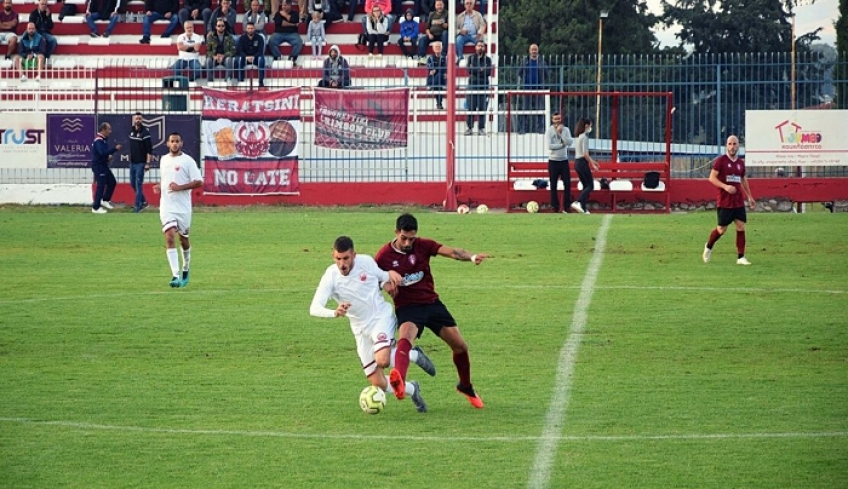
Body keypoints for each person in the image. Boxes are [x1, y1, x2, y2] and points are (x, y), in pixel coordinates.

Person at [310, 235, 436, 413]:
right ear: (333, 256)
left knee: (383, 360)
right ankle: (413, 389)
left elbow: (382, 276)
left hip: (379, 318)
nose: (342, 264)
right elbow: (314, 308)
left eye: (346, 258)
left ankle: (412, 354)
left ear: (354, 255)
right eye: (338, 259)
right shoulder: (330, 276)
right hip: (360, 330)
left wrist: (388, 279)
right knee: (378, 382)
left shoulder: (366, 262)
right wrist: (334, 312)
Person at [376, 213, 489, 409]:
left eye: (411, 238)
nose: (408, 242)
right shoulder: (384, 256)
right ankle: (400, 380)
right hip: (408, 307)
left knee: (460, 347)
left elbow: (453, 252)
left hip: (431, 303)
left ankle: (465, 386)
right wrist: (385, 284)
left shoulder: (423, 245)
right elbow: (373, 278)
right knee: (406, 336)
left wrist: (471, 256)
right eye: (404, 238)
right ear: (396, 233)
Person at [152, 132, 202, 288]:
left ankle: (186, 268)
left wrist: (179, 188)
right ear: (167, 143)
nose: (174, 144)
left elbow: (199, 182)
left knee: (184, 239)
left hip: (183, 208)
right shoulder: (164, 160)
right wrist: (160, 186)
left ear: (181, 143)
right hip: (167, 206)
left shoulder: (188, 161)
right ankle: (175, 275)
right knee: (169, 237)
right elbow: (165, 179)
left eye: (177, 141)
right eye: (172, 141)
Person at [702, 135, 756, 266]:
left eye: (735, 144)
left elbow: (743, 180)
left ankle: (741, 257)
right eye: (730, 144)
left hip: (738, 201)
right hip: (724, 202)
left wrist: (749, 196)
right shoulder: (721, 161)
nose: (732, 147)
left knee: (741, 226)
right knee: (721, 229)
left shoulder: (740, 163)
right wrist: (725, 186)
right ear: (727, 145)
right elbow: (711, 178)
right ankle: (708, 246)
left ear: (738, 146)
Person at [517, 44, 549, 134]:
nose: (534, 51)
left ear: (538, 51)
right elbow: (519, 72)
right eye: (532, 49)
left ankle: (540, 128)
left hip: (539, 88)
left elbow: (546, 73)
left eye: (535, 49)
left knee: (540, 108)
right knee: (525, 108)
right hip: (526, 88)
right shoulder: (525, 61)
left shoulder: (542, 61)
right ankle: (522, 128)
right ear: (529, 51)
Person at [91, 122, 122, 214]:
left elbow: (103, 154)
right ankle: (96, 207)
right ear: (103, 130)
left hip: (103, 165)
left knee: (112, 182)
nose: (110, 131)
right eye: (108, 129)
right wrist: (114, 149)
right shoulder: (98, 140)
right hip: (99, 166)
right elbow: (102, 152)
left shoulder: (103, 140)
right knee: (101, 185)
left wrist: (108, 157)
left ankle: (105, 200)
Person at [546, 112, 573, 213]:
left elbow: (570, 142)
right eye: (555, 119)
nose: (557, 121)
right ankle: (555, 206)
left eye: (559, 119)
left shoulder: (566, 130)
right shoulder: (549, 131)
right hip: (553, 161)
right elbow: (550, 146)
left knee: (567, 183)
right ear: (552, 120)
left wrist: (561, 134)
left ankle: (567, 206)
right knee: (553, 184)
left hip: (564, 160)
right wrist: (561, 145)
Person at [571, 116, 598, 214]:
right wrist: (592, 164)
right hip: (582, 162)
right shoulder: (584, 137)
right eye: (590, 125)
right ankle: (578, 202)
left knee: (585, 185)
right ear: (586, 125)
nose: (590, 127)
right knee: (590, 186)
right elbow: (585, 154)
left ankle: (583, 207)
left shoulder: (578, 137)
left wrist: (593, 161)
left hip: (577, 163)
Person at [464, 40, 491, 136]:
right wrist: (480, 69)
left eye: (482, 46)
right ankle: (469, 128)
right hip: (472, 86)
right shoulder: (471, 58)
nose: (480, 47)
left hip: (483, 86)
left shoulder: (488, 59)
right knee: (471, 108)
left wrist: (476, 69)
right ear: (475, 47)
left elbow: (488, 72)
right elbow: (469, 70)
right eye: (479, 46)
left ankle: (481, 128)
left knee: (482, 108)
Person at [129, 112, 153, 213]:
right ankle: (144, 202)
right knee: (132, 183)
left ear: (142, 120)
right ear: (134, 120)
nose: (138, 120)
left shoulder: (145, 133)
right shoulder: (132, 130)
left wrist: (147, 163)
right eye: (136, 118)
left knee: (138, 184)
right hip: (132, 162)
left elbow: (149, 149)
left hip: (141, 162)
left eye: (139, 118)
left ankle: (138, 206)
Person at [268, 1, 303, 65]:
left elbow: (294, 20)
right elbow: (282, 23)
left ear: (290, 5)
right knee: (271, 41)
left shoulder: (295, 13)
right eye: (282, 5)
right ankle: (278, 56)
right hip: (278, 33)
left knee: (299, 42)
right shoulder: (278, 14)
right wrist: (293, 24)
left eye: (285, 5)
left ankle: (292, 58)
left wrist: (285, 15)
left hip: (292, 34)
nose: (283, 7)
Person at [234, 21, 267, 87]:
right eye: (248, 28)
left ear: (254, 29)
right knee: (238, 59)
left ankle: (261, 82)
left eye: (252, 28)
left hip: (256, 58)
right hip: (245, 58)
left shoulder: (260, 38)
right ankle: (240, 81)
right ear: (246, 29)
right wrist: (246, 57)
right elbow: (240, 51)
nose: (250, 30)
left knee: (262, 59)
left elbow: (260, 51)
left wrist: (253, 57)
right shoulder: (242, 38)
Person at [205, 18, 236, 82]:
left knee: (229, 59)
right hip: (214, 58)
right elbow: (208, 51)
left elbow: (233, 51)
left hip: (225, 57)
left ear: (224, 27)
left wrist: (223, 56)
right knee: (208, 60)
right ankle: (210, 81)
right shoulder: (211, 37)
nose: (221, 27)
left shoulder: (229, 36)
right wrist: (214, 56)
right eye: (219, 26)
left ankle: (227, 81)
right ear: (216, 27)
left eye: (222, 26)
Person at [425, 41, 446, 110]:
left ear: (442, 48)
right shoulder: (430, 58)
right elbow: (430, 69)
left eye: (439, 47)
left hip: (442, 79)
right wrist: (439, 70)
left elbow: (445, 69)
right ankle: (439, 104)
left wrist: (436, 70)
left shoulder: (444, 57)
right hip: (433, 79)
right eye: (436, 47)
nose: (437, 48)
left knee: (439, 76)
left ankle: (433, 87)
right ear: (433, 49)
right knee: (439, 80)